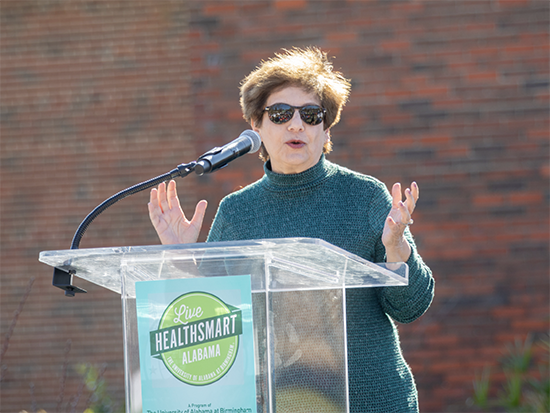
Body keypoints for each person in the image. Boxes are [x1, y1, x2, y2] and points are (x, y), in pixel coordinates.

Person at [148, 47, 435, 413]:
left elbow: (411, 308)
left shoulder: (365, 196)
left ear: (326, 127)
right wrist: (184, 261)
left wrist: (396, 248)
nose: (296, 125)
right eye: (281, 114)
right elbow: (214, 331)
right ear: (256, 125)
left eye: (311, 115)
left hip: (373, 401)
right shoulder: (237, 213)